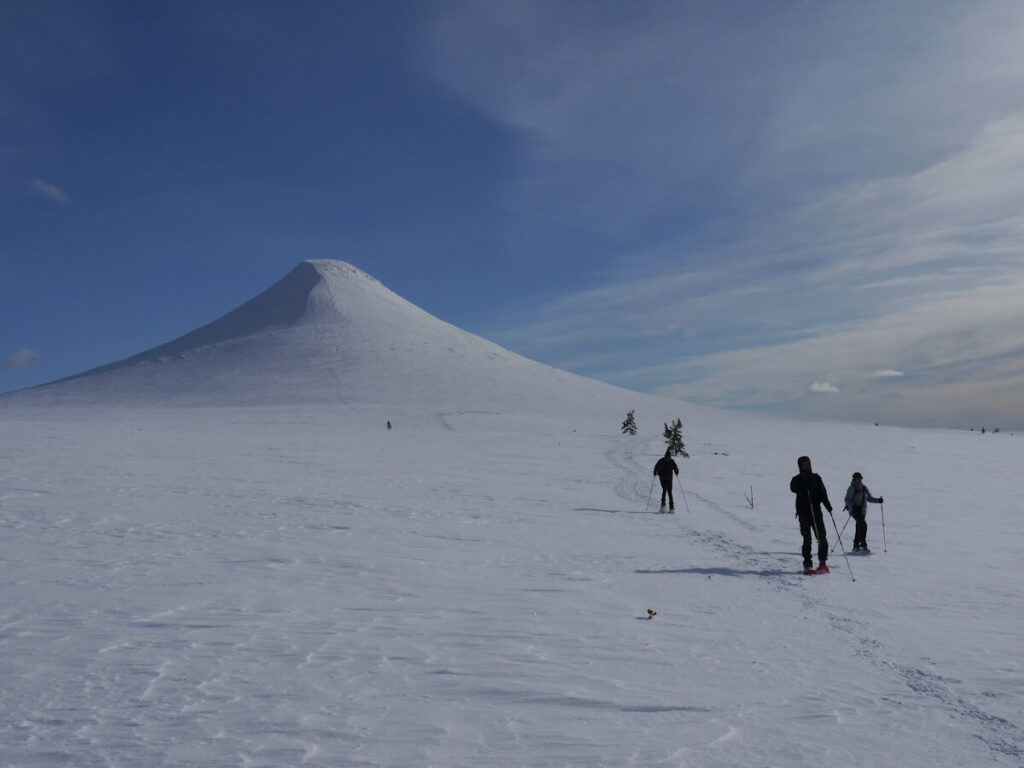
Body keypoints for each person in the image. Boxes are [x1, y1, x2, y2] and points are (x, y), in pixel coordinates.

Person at [790, 455, 834, 574]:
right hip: (804, 513)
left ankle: (823, 562)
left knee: (822, 538)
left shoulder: (816, 478)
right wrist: (803, 483)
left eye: (807, 464)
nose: (805, 467)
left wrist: (828, 505)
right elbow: (792, 488)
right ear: (799, 466)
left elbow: (823, 493)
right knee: (807, 538)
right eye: (803, 465)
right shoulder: (797, 479)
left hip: (816, 512)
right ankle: (807, 563)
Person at [844, 472, 883, 553]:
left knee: (859, 527)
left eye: (860, 478)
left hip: (862, 511)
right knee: (863, 525)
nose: (860, 480)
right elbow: (847, 499)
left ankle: (856, 547)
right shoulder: (852, 487)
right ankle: (862, 545)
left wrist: (878, 500)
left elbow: (869, 498)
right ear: (854, 479)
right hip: (854, 511)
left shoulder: (864, 487)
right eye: (858, 478)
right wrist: (853, 506)